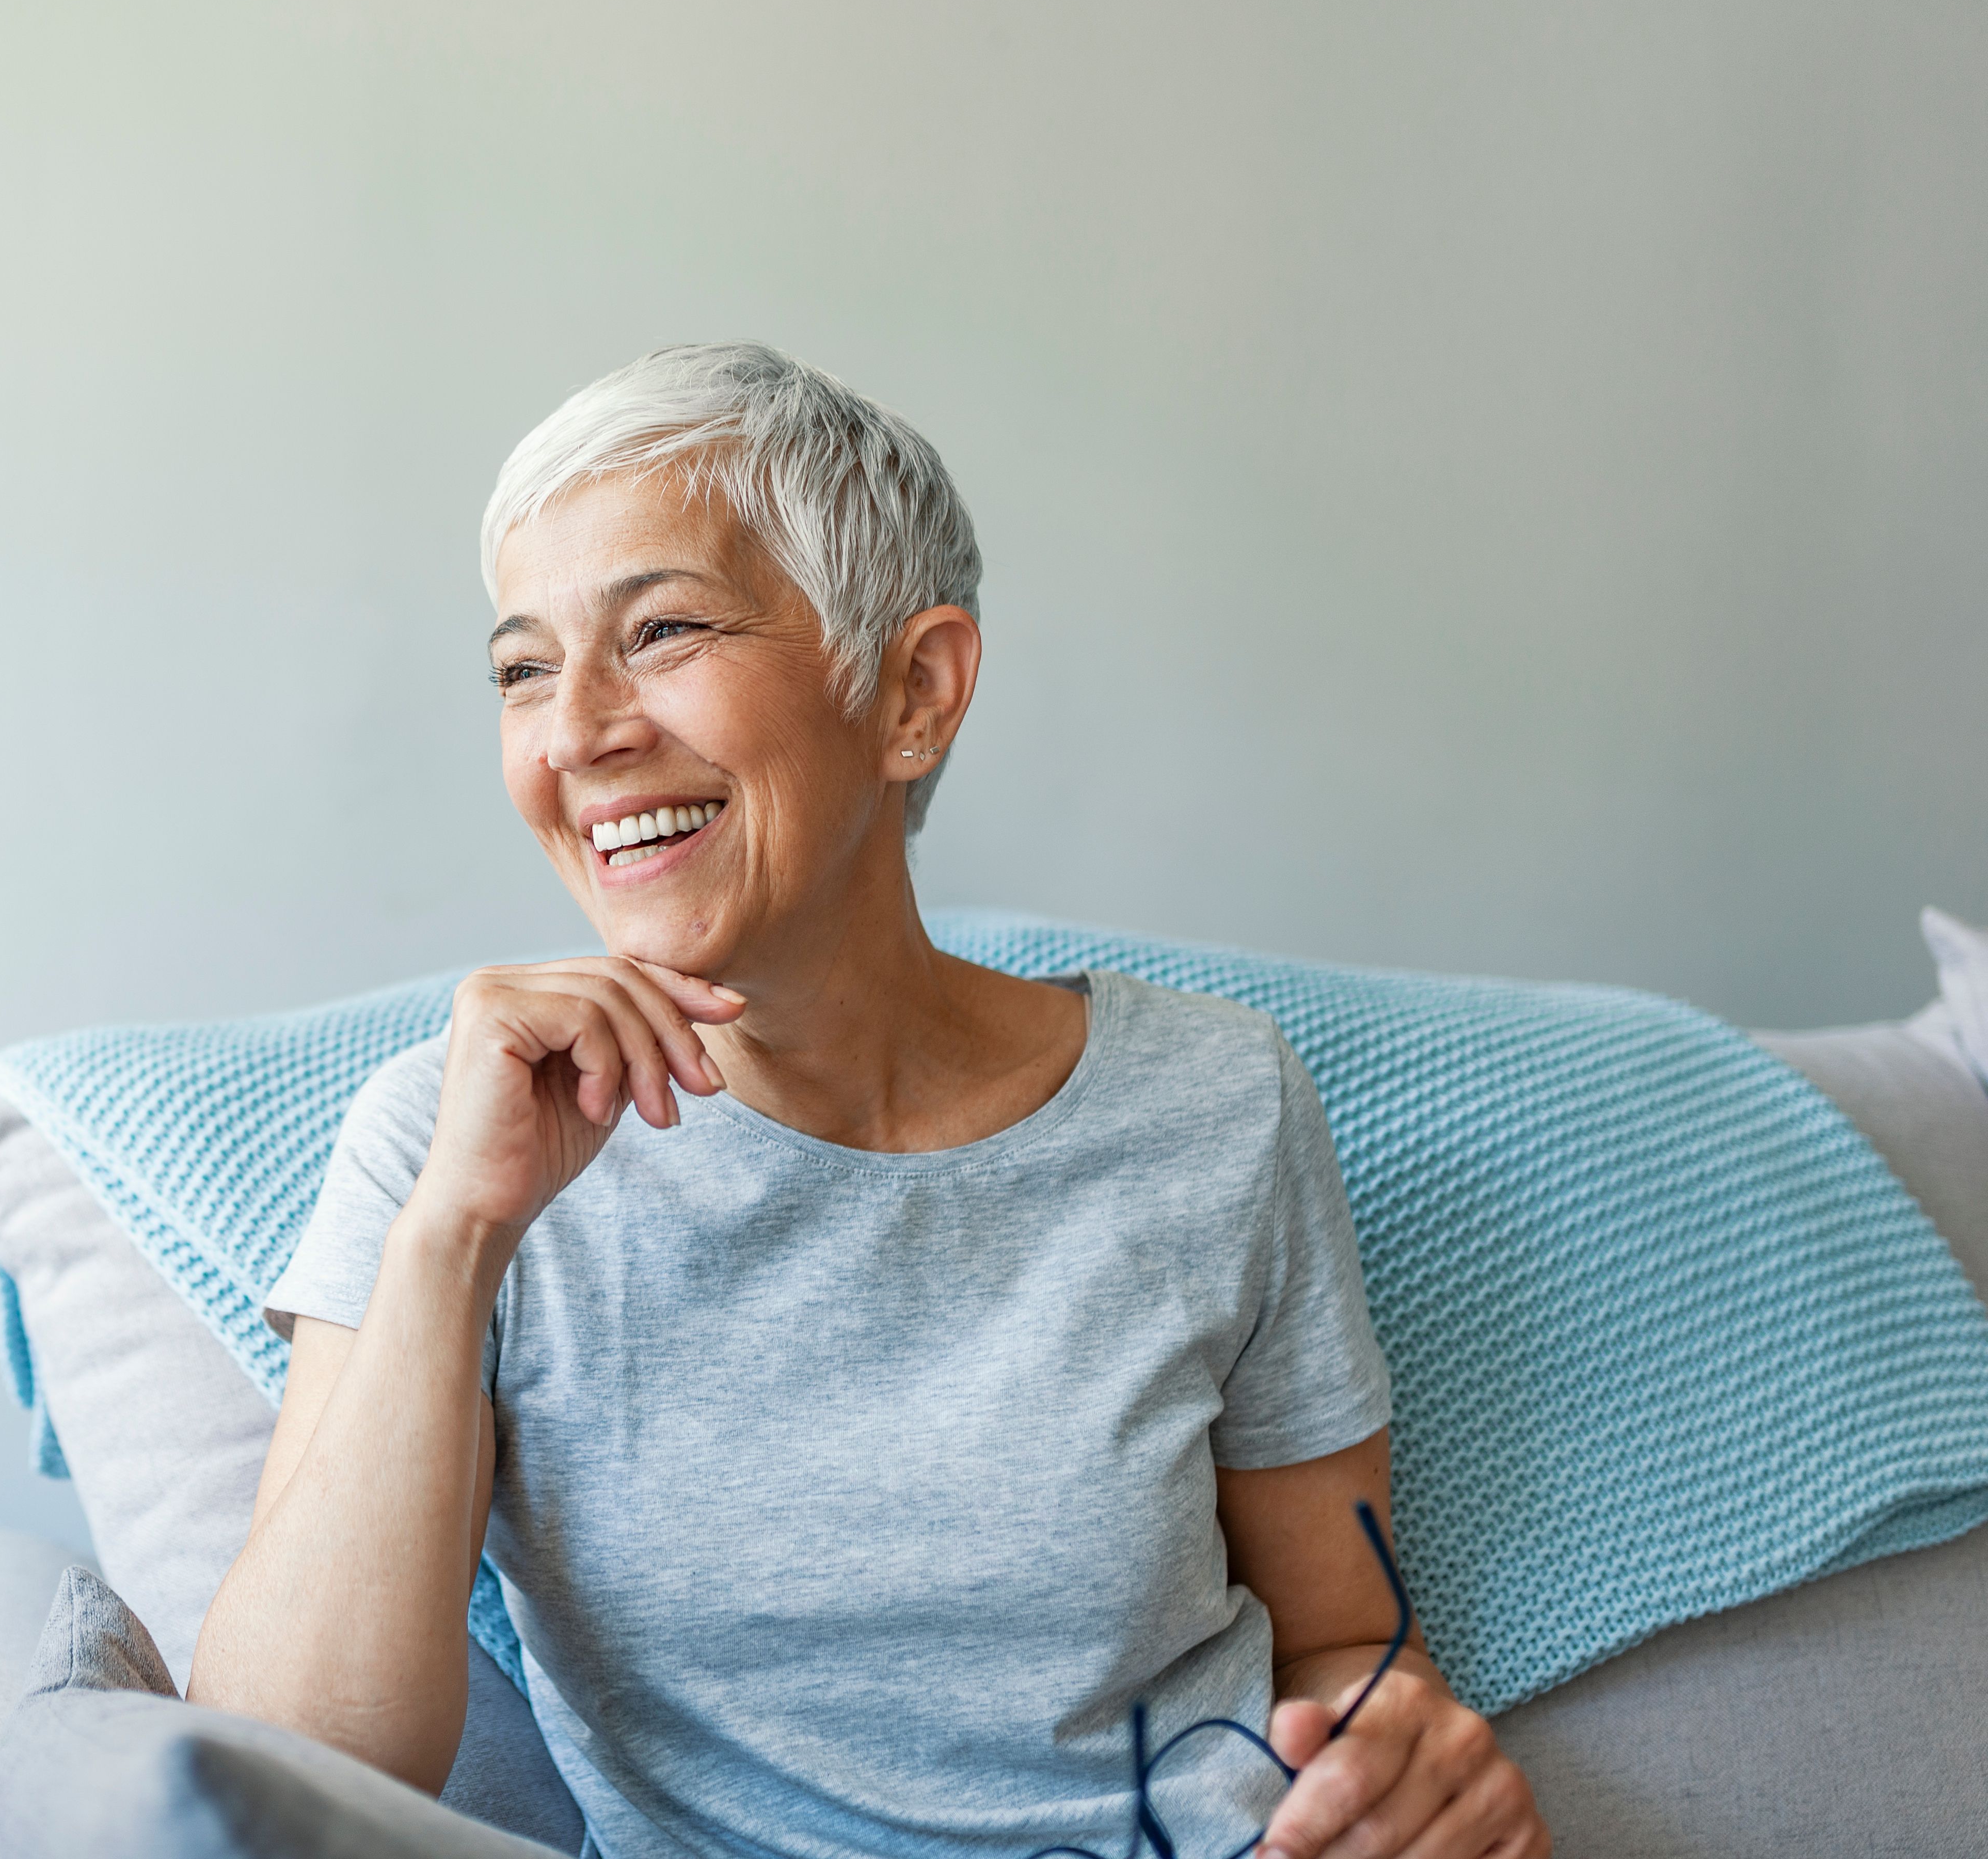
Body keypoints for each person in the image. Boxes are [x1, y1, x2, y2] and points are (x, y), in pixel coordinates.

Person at [188, 344, 1547, 1859]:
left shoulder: (1218, 1105)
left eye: (664, 631)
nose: (575, 731)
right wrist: (455, 1238)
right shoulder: (445, 1145)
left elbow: (1346, 1640)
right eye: (522, 669)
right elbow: (281, 1774)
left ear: (914, 691)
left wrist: (1410, 1783)